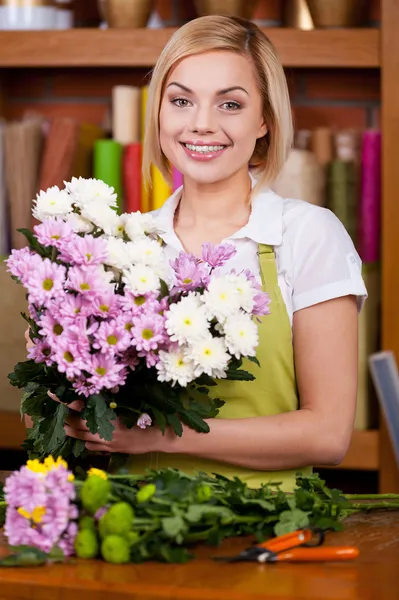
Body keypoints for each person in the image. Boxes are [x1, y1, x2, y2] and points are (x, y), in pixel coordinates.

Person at [25, 15, 367, 491]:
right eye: (181, 100)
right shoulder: (124, 249)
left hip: (268, 532)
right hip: (137, 523)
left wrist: (156, 435)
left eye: (230, 104)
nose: (202, 124)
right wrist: (58, 380)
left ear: (264, 119)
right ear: (159, 113)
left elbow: (327, 435)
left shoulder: (307, 234)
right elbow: (68, 424)